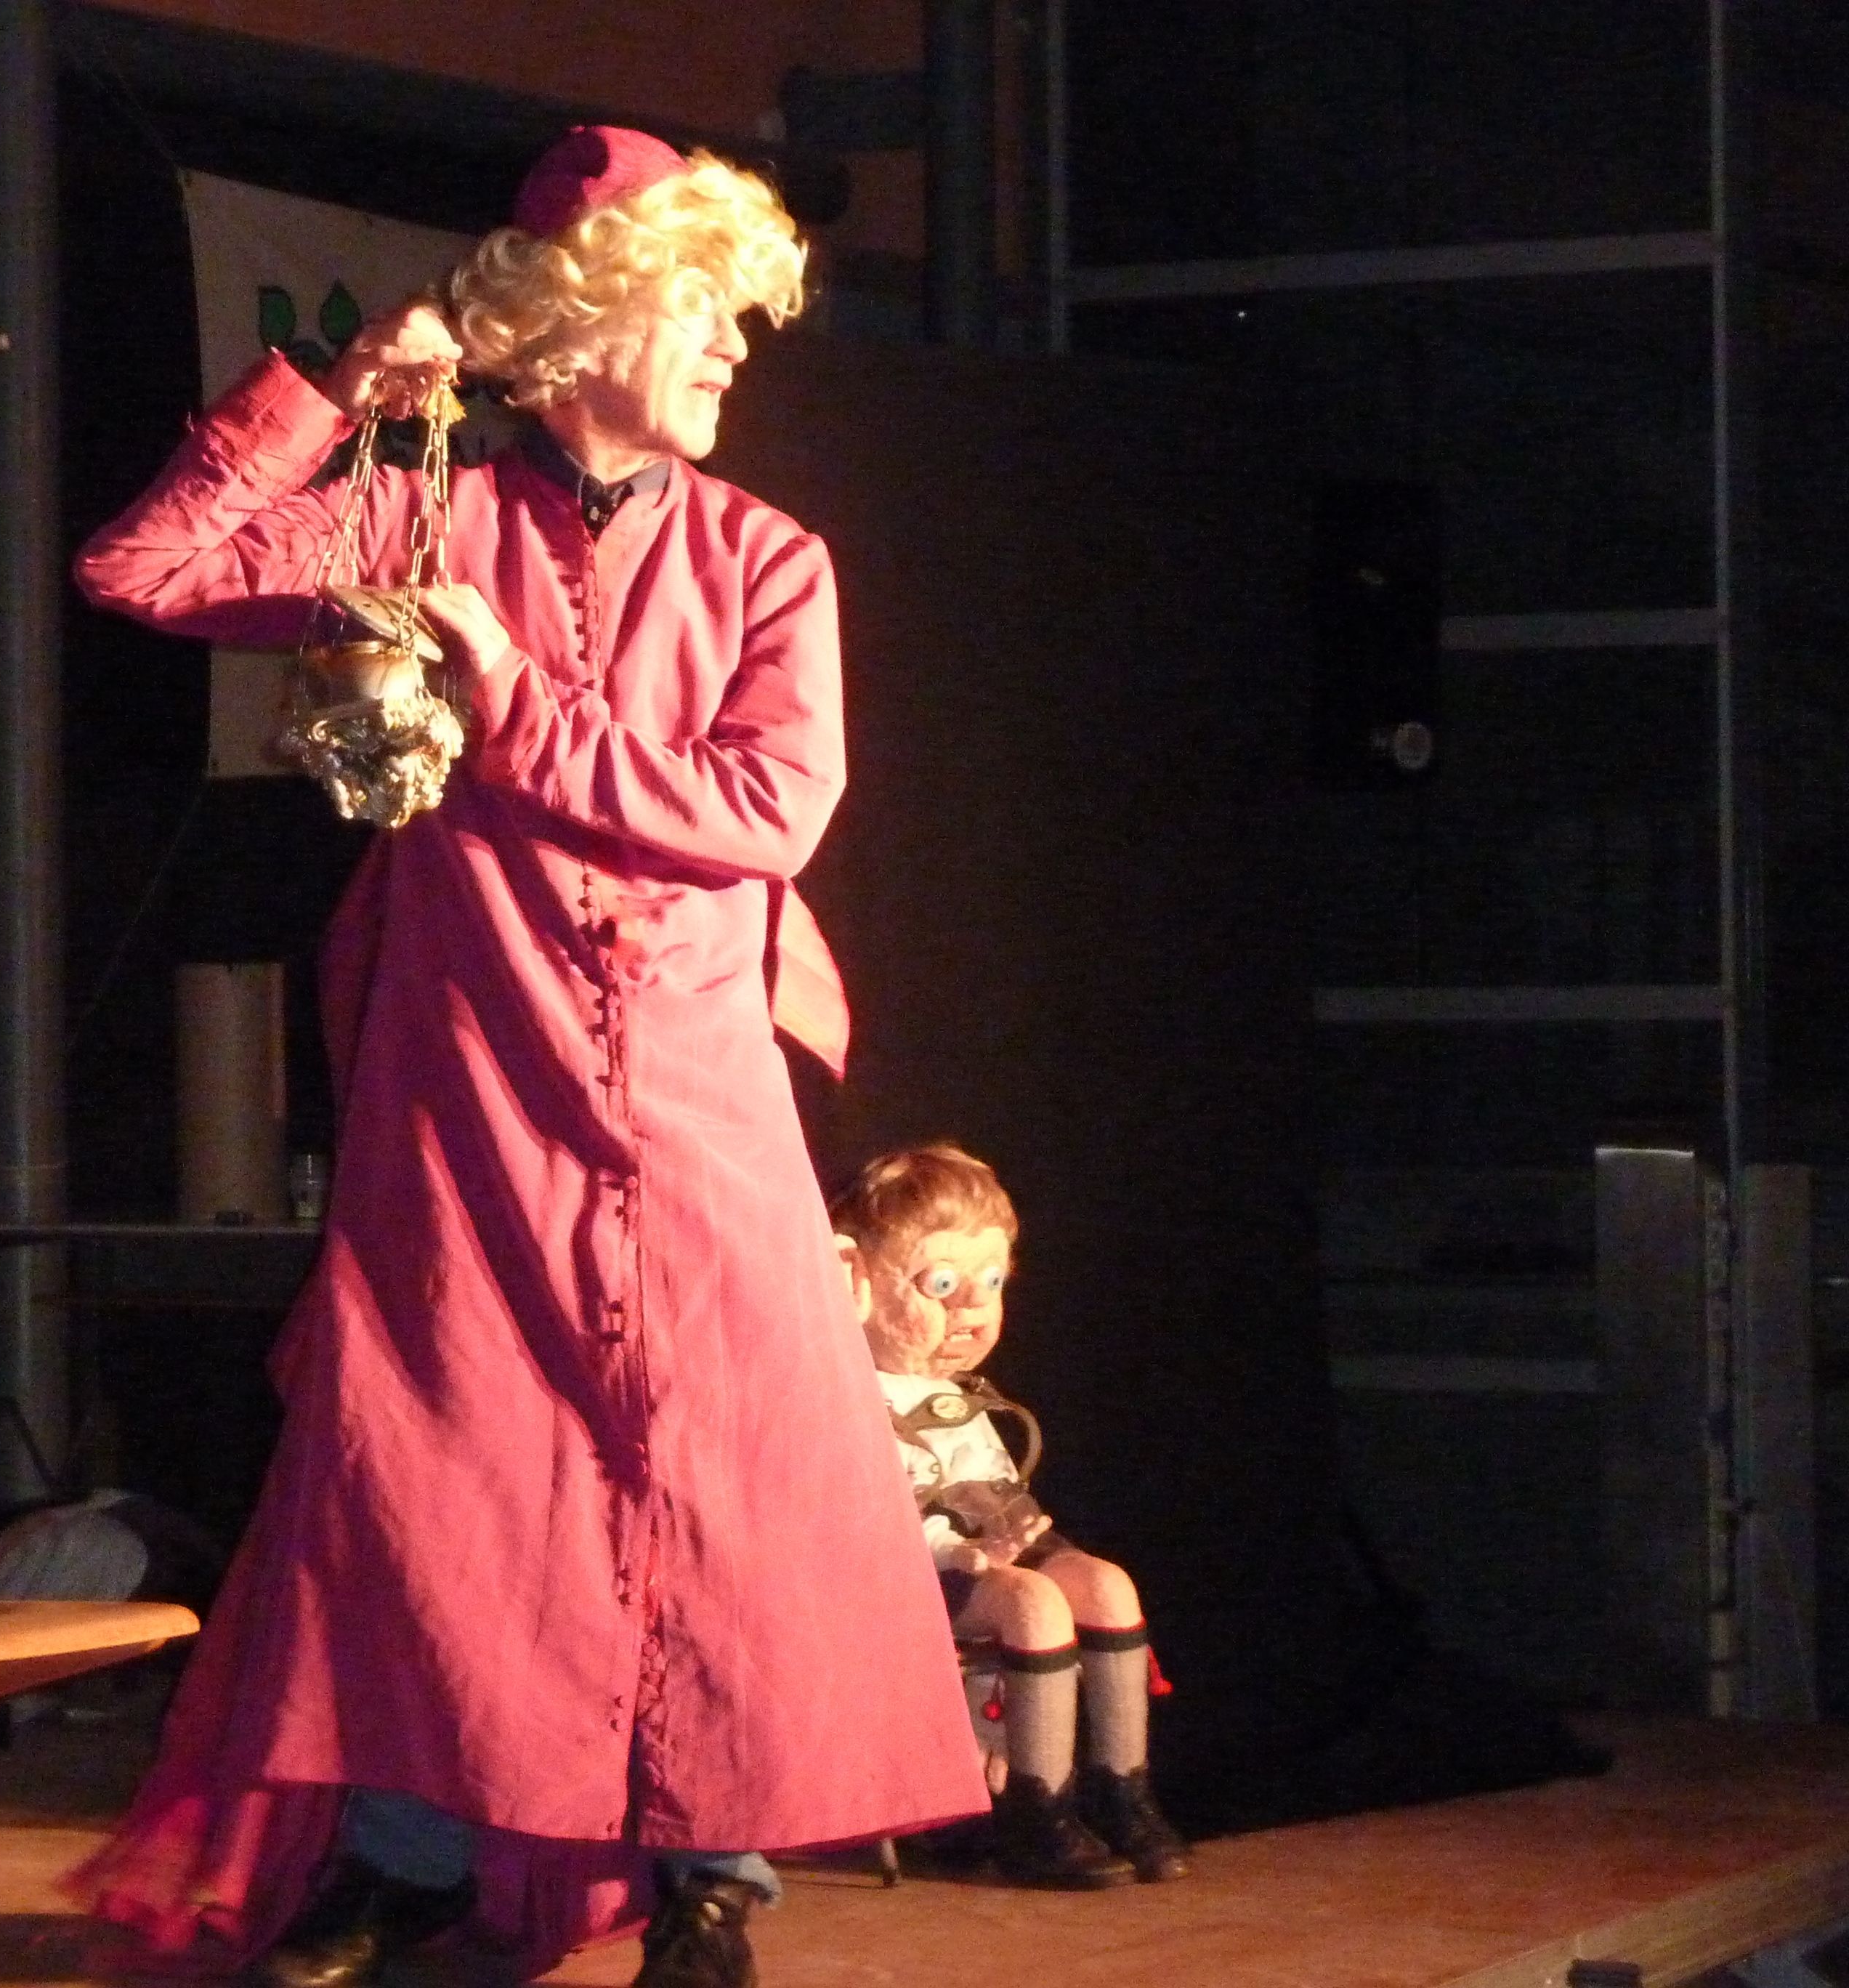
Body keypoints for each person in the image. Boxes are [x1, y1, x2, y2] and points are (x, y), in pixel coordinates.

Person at [64, 127, 984, 1986]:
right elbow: (141, 567)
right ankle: (409, 1857)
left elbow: (766, 812)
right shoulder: (428, 513)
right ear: (587, 319)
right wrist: (338, 390)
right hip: (472, 1084)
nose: (729, 349)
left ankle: (711, 1877)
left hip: (698, 1092)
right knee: (445, 1476)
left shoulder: (766, 558)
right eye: (701, 308)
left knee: (717, 1478)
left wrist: (513, 700)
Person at [831, 1143, 1191, 1888]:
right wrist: (971, 1555)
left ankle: (1119, 1788)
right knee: (1031, 1603)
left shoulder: (961, 1396)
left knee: (1107, 1586)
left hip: (983, 1550)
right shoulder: (846, 1394)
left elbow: (993, 1488)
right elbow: (865, 1515)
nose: (971, 1306)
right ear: (858, 1281)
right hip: (904, 1568)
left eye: (989, 1282)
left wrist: (1013, 1534)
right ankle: (1037, 1807)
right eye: (941, 1283)